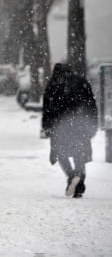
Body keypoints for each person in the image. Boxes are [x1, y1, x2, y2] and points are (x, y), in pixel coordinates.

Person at [42, 63, 98, 198]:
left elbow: (47, 108)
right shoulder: (81, 82)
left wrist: (46, 126)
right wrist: (93, 123)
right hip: (80, 125)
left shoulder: (53, 85)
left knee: (61, 154)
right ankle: (79, 180)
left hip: (60, 126)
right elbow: (91, 104)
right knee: (79, 154)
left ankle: (71, 175)